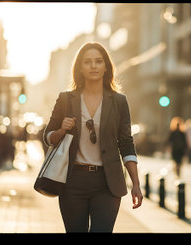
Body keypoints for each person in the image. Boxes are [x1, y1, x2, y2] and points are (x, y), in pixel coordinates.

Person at [43, 42, 143, 232]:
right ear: (80, 67)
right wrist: (61, 130)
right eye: (87, 62)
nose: (93, 66)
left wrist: (136, 184)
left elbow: (126, 143)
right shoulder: (66, 99)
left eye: (98, 61)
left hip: (107, 183)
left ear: (106, 66)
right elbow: (47, 137)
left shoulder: (119, 102)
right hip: (72, 181)